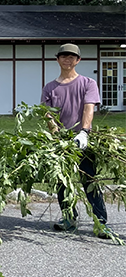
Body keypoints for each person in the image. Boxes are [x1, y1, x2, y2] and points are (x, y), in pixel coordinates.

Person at [41, 43, 113, 239]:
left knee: (90, 180)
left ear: (78, 60)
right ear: (57, 59)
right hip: (61, 142)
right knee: (62, 182)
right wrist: (57, 135)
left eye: (72, 57)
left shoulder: (88, 83)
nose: (67, 59)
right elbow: (48, 115)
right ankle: (69, 218)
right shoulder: (50, 87)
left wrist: (84, 133)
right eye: (64, 56)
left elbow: (88, 108)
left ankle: (101, 223)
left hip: (82, 141)